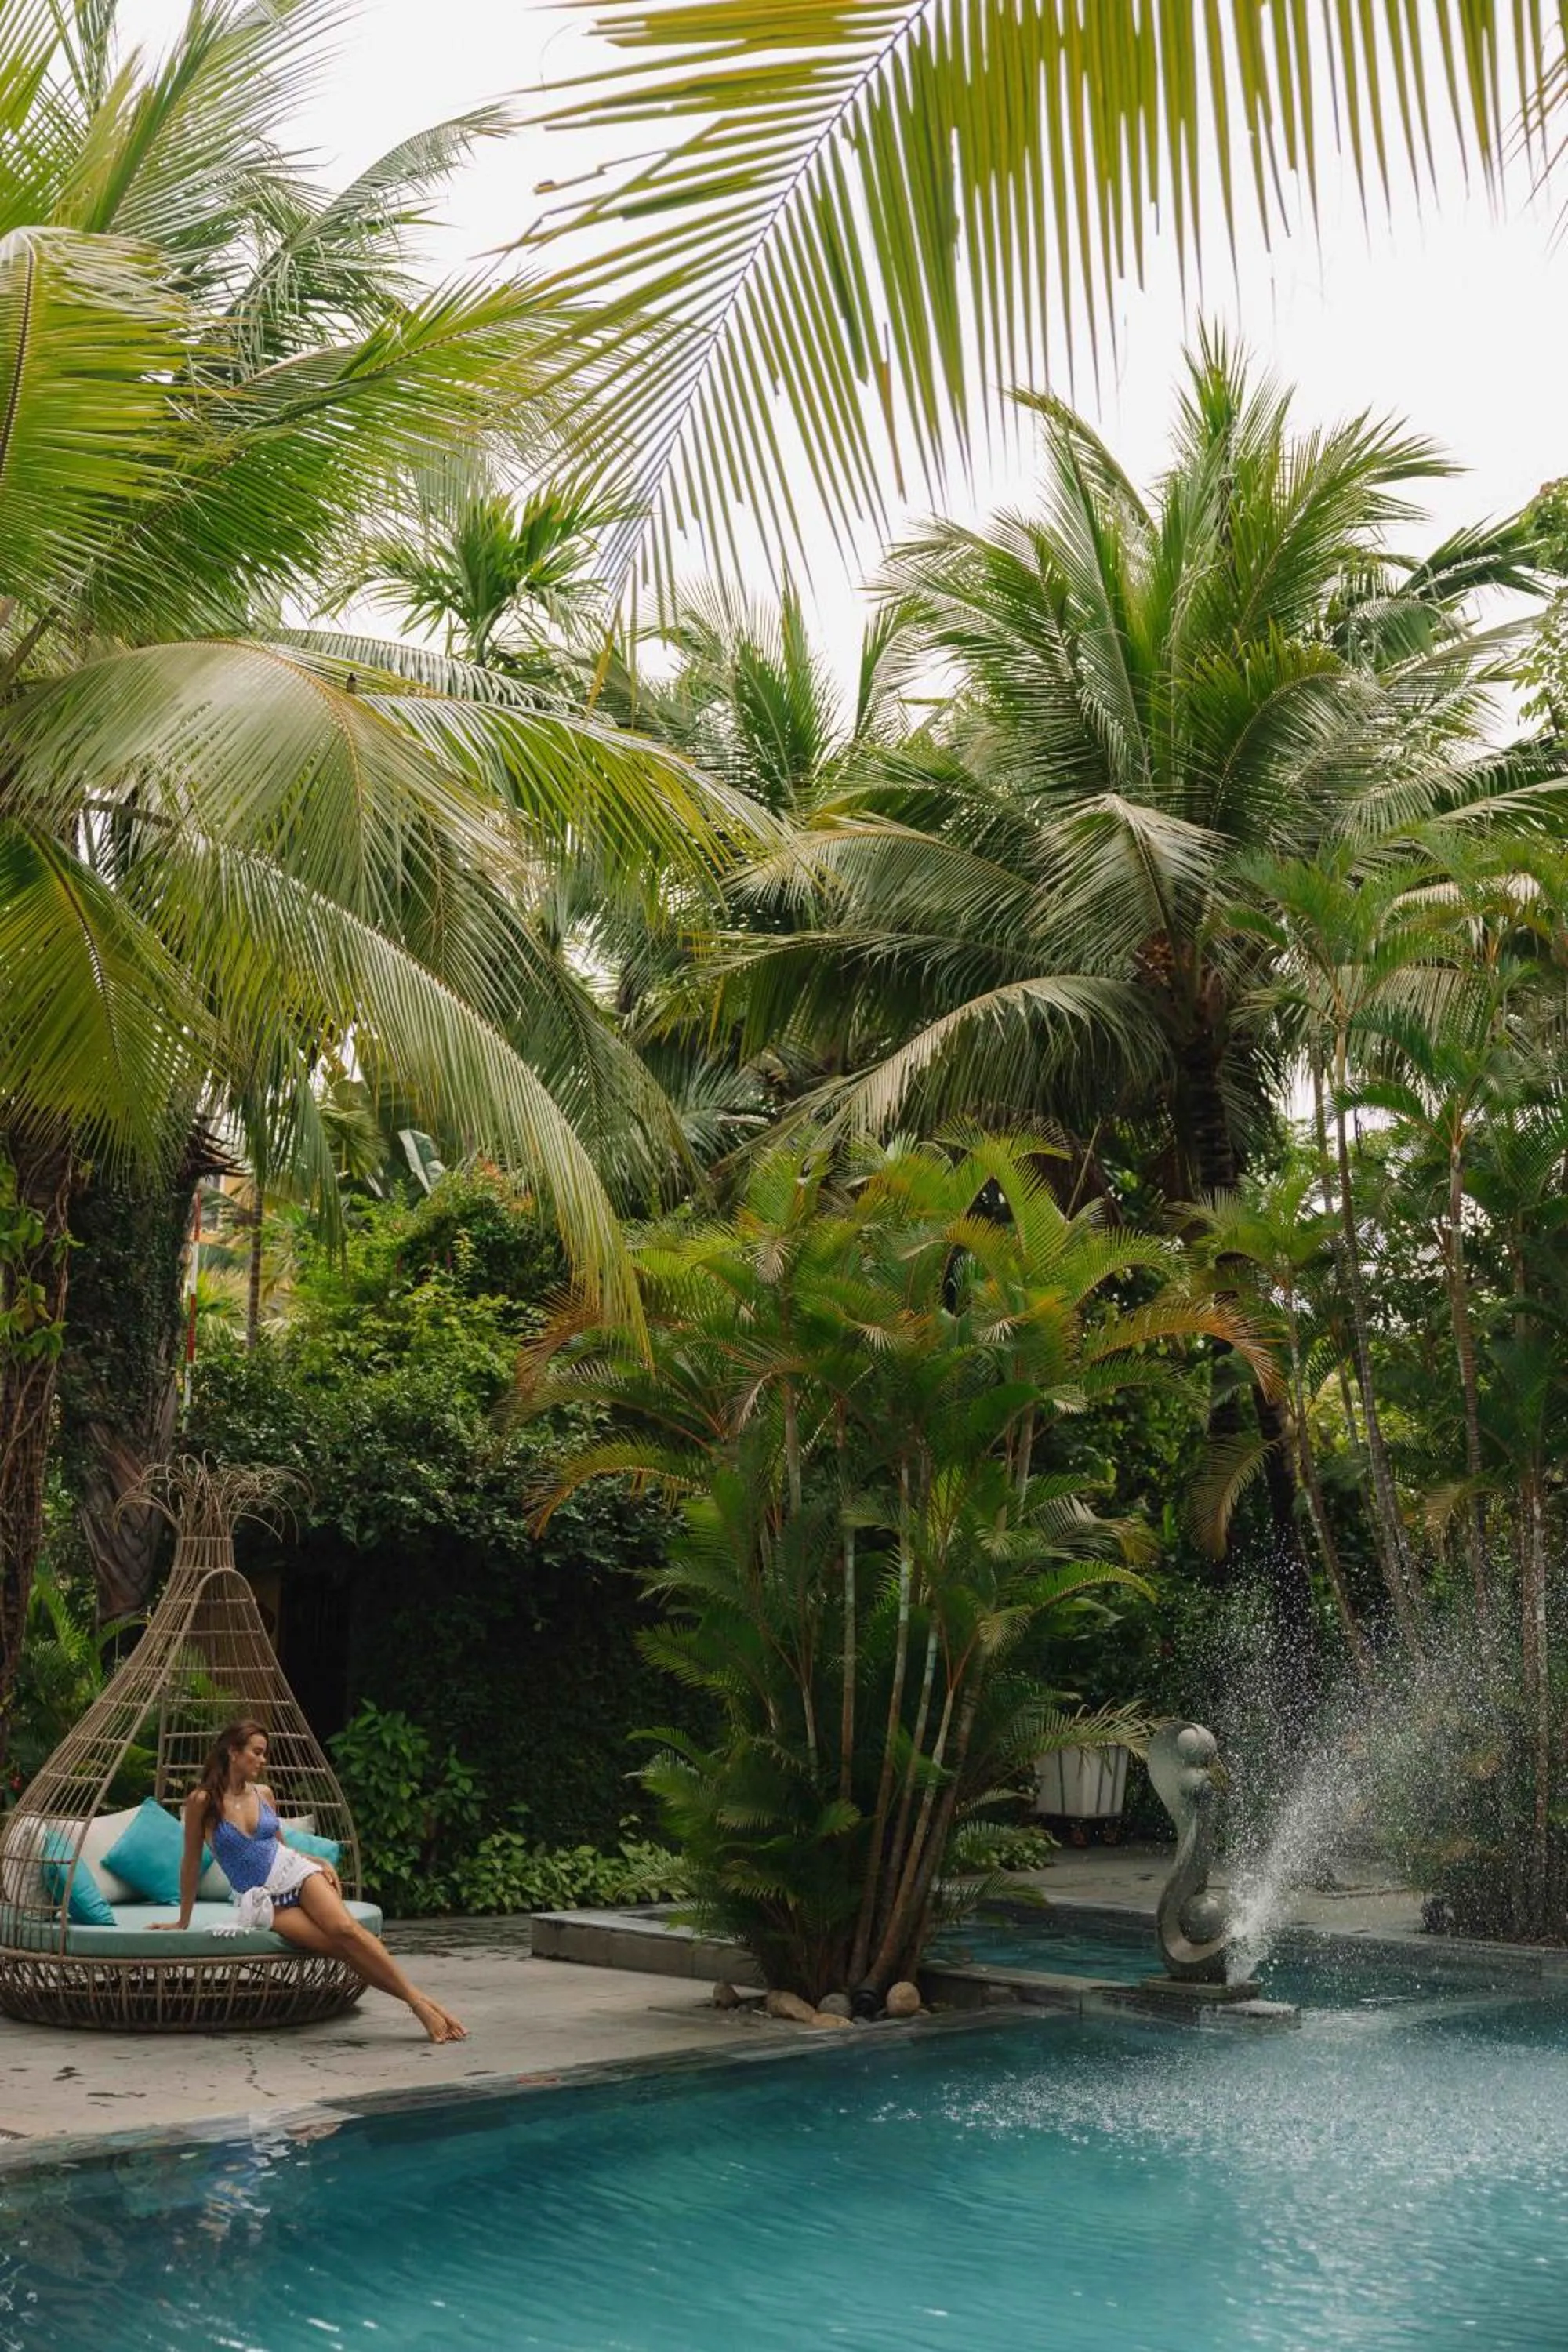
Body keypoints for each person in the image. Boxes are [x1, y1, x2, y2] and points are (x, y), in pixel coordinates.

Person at [154, 1719, 466, 2044]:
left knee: (347, 1931)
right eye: (257, 1752)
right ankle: (425, 2004)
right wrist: (182, 1919)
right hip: (264, 1899)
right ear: (233, 1752)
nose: (263, 1760)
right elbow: (190, 1861)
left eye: (265, 1754)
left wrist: (313, 1860)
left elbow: (279, 1846)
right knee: (340, 1948)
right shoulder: (202, 1802)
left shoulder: (264, 1794)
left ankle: (421, 2006)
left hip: (296, 1873)